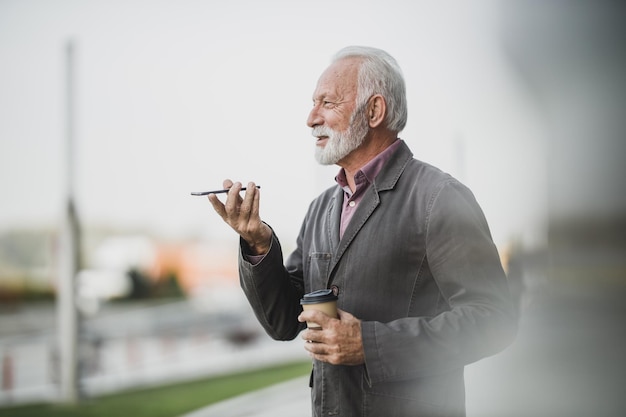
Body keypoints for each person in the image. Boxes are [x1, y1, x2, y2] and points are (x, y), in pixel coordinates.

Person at [207, 46, 517, 417]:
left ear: (374, 111)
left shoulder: (439, 197)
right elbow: (284, 320)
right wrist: (258, 244)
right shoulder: (322, 208)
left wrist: (369, 344)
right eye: (312, 102)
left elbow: (494, 319)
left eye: (327, 102)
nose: (310, 118)